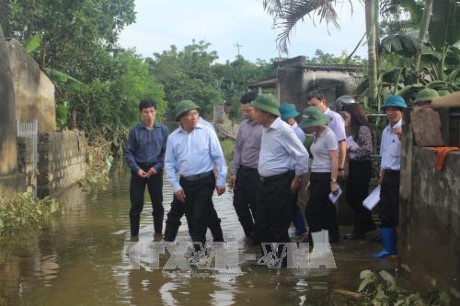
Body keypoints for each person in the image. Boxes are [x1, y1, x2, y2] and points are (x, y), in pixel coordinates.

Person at [164, 100, 227, 249]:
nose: (193, 117)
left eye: (195, 113)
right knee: (187, 214)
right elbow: (169, 163)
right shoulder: (173, 138)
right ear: (181, 118)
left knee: (198, 216)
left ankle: (199, 252)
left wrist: (221, 180)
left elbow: (219, 157)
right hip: (185, 182)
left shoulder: (207, 131)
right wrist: (176, 186)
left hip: (205, 181)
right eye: (189, 114)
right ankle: (167, 245)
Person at [251, 94, 309, 250]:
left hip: (280, 183)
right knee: (262, 224)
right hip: (264, 183)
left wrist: (297, 178)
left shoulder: (284, 130)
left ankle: (285, 267)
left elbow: (302, 155)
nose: (253, 114)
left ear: (266, 113)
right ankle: (268, 261)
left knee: (279, 226)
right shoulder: (265, 128)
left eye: (256, 111)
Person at [125, 99, 169, 241]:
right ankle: (134, 237)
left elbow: (166, 153)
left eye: (151, 111)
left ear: (155, 112)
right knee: (136, 205)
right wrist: (137, 169)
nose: (149, 115)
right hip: (138, 171)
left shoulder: (163, 130)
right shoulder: (135, 131)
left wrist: (156, 168)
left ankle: (158, 235)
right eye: (145, 112)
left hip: (155, 171)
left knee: (158, 204)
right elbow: (129, 152)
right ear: (141, 113)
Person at [373, 95, 407, 258]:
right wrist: (381, 175)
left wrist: (404, 137)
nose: (390, 113)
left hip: (400, 175)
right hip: (387, 175)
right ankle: (388, 247)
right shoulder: (386, 130)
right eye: (388, 109)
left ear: (401, 111)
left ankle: (392, 247)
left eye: (394, 109)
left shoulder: (406, 129)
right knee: (385, 209)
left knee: (393, 211)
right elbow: (384, 155)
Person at [300, 106, 340, 243]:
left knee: (312, 211)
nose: (309, 128)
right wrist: (311, 179)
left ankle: (318, 239)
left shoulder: (329, 135)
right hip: (316, 175)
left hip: (325, 176)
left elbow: (334, 158)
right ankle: (332, 236)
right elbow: (317, 158)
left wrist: (333, 181)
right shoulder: (317, 136)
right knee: (327, 208)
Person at [230, 91, 262, 240]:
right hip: (242, 172)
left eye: (248, 110)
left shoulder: (265, 127)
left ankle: (260, 235)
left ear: (257, 107)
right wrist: (233, 171)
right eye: (244, 111)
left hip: (258, 174)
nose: (246, 114)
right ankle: (250, 232)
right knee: (238, 204)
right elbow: (238, 149)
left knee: (257, 206)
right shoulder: (243, 126)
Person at [341, 102, 376, 239]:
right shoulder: (354, 130)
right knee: (354, 197)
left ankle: (360, 229)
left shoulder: (363, 129)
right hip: (356, 165)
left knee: (357, 198)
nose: (346, 119)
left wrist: (354, 150)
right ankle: (367, 224)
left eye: (347, 116)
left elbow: (368, 149)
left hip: (362, 166)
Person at [279, 102, 308, 238]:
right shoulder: (287, 130)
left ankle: (300, 228)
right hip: (287, 171)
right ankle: (300, 228)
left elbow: (300, 157)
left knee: (290, 203)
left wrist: (298, 177)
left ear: (290, 119)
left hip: (293, 172)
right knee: (289, 203)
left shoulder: (298, 133)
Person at [307, 90, 347, 177]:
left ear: (323, 101)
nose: (312, 109)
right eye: (310, 106)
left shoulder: (334, 118)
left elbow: (342, 143)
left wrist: (340, 167)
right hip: (319, 167)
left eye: (314, 105)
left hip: (331, 167)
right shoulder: (314, 120)